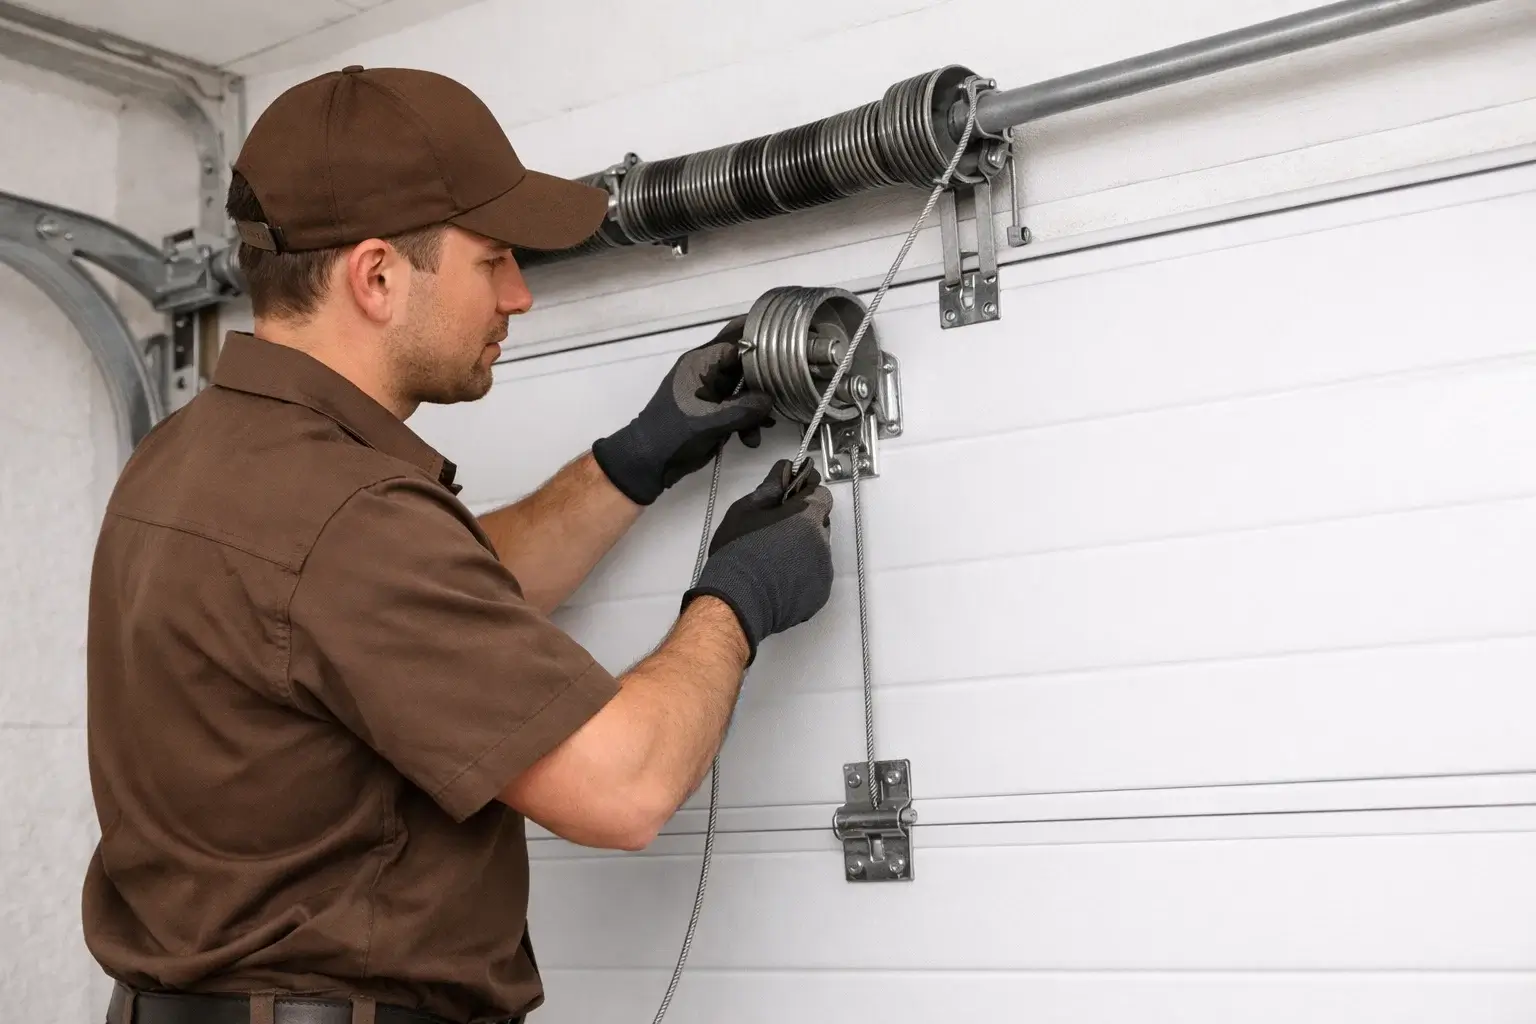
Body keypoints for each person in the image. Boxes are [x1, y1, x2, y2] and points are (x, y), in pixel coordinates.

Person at [83, 65, 836, 1024]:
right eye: (492, 260)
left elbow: (413, 620)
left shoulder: (191, 458)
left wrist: (636, 461)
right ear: (377, 276)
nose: (518, 296)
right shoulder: (345, 513)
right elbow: (626, 786)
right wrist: (738, 595)